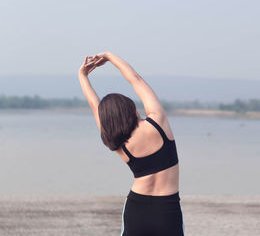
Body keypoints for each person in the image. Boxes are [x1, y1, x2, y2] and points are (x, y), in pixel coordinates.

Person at [78, 52, 184, 236]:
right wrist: (110, 57)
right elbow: (136, 79)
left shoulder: (119, 143)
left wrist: (82, 76)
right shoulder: (157, 123)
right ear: (131, 108)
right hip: (167, 210)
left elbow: (95, 106)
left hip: (136, 208)